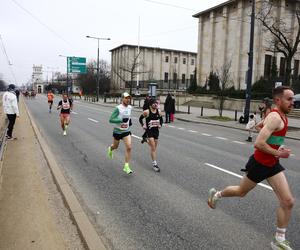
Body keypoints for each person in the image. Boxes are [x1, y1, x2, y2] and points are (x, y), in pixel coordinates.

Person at [208, 86, 295, 250]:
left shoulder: (278, 115)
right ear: (278, 100)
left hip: (272, 164)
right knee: (241, 192)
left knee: (288, 201)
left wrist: (275, 149)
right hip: (259, 164)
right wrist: (279, 152)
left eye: (293, 99)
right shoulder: (276, 117)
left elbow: (259, 127)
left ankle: (278, 240)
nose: (293, 102)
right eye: (289, 99)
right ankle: (217, 195)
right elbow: (258, 143)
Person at [107, 92, 133, 175]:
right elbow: (111, 120)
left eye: (129, 98)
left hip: (126, 131)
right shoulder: (118, 108)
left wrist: (129, 121)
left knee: (129, 147)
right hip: (117, 131)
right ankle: (110, 149)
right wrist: (120, 120)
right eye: (126, 98)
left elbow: (128, 117)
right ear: (122, 99)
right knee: (115, 146)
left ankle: (126, 166)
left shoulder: (130, 107)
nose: (128, 100)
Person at [139, 98, 163, 172]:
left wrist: (160, 125)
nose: (156, 104)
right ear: (150, 104)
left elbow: (161, 119)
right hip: (149, 131)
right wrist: (143, 125)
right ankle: (155, 164)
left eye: (156, 103)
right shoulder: (147, 112)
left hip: (156, 131)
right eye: (154, 103)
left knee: (154, 148)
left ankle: (145, 140)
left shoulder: (159, 111)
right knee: (153, 147)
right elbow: (140, 119)